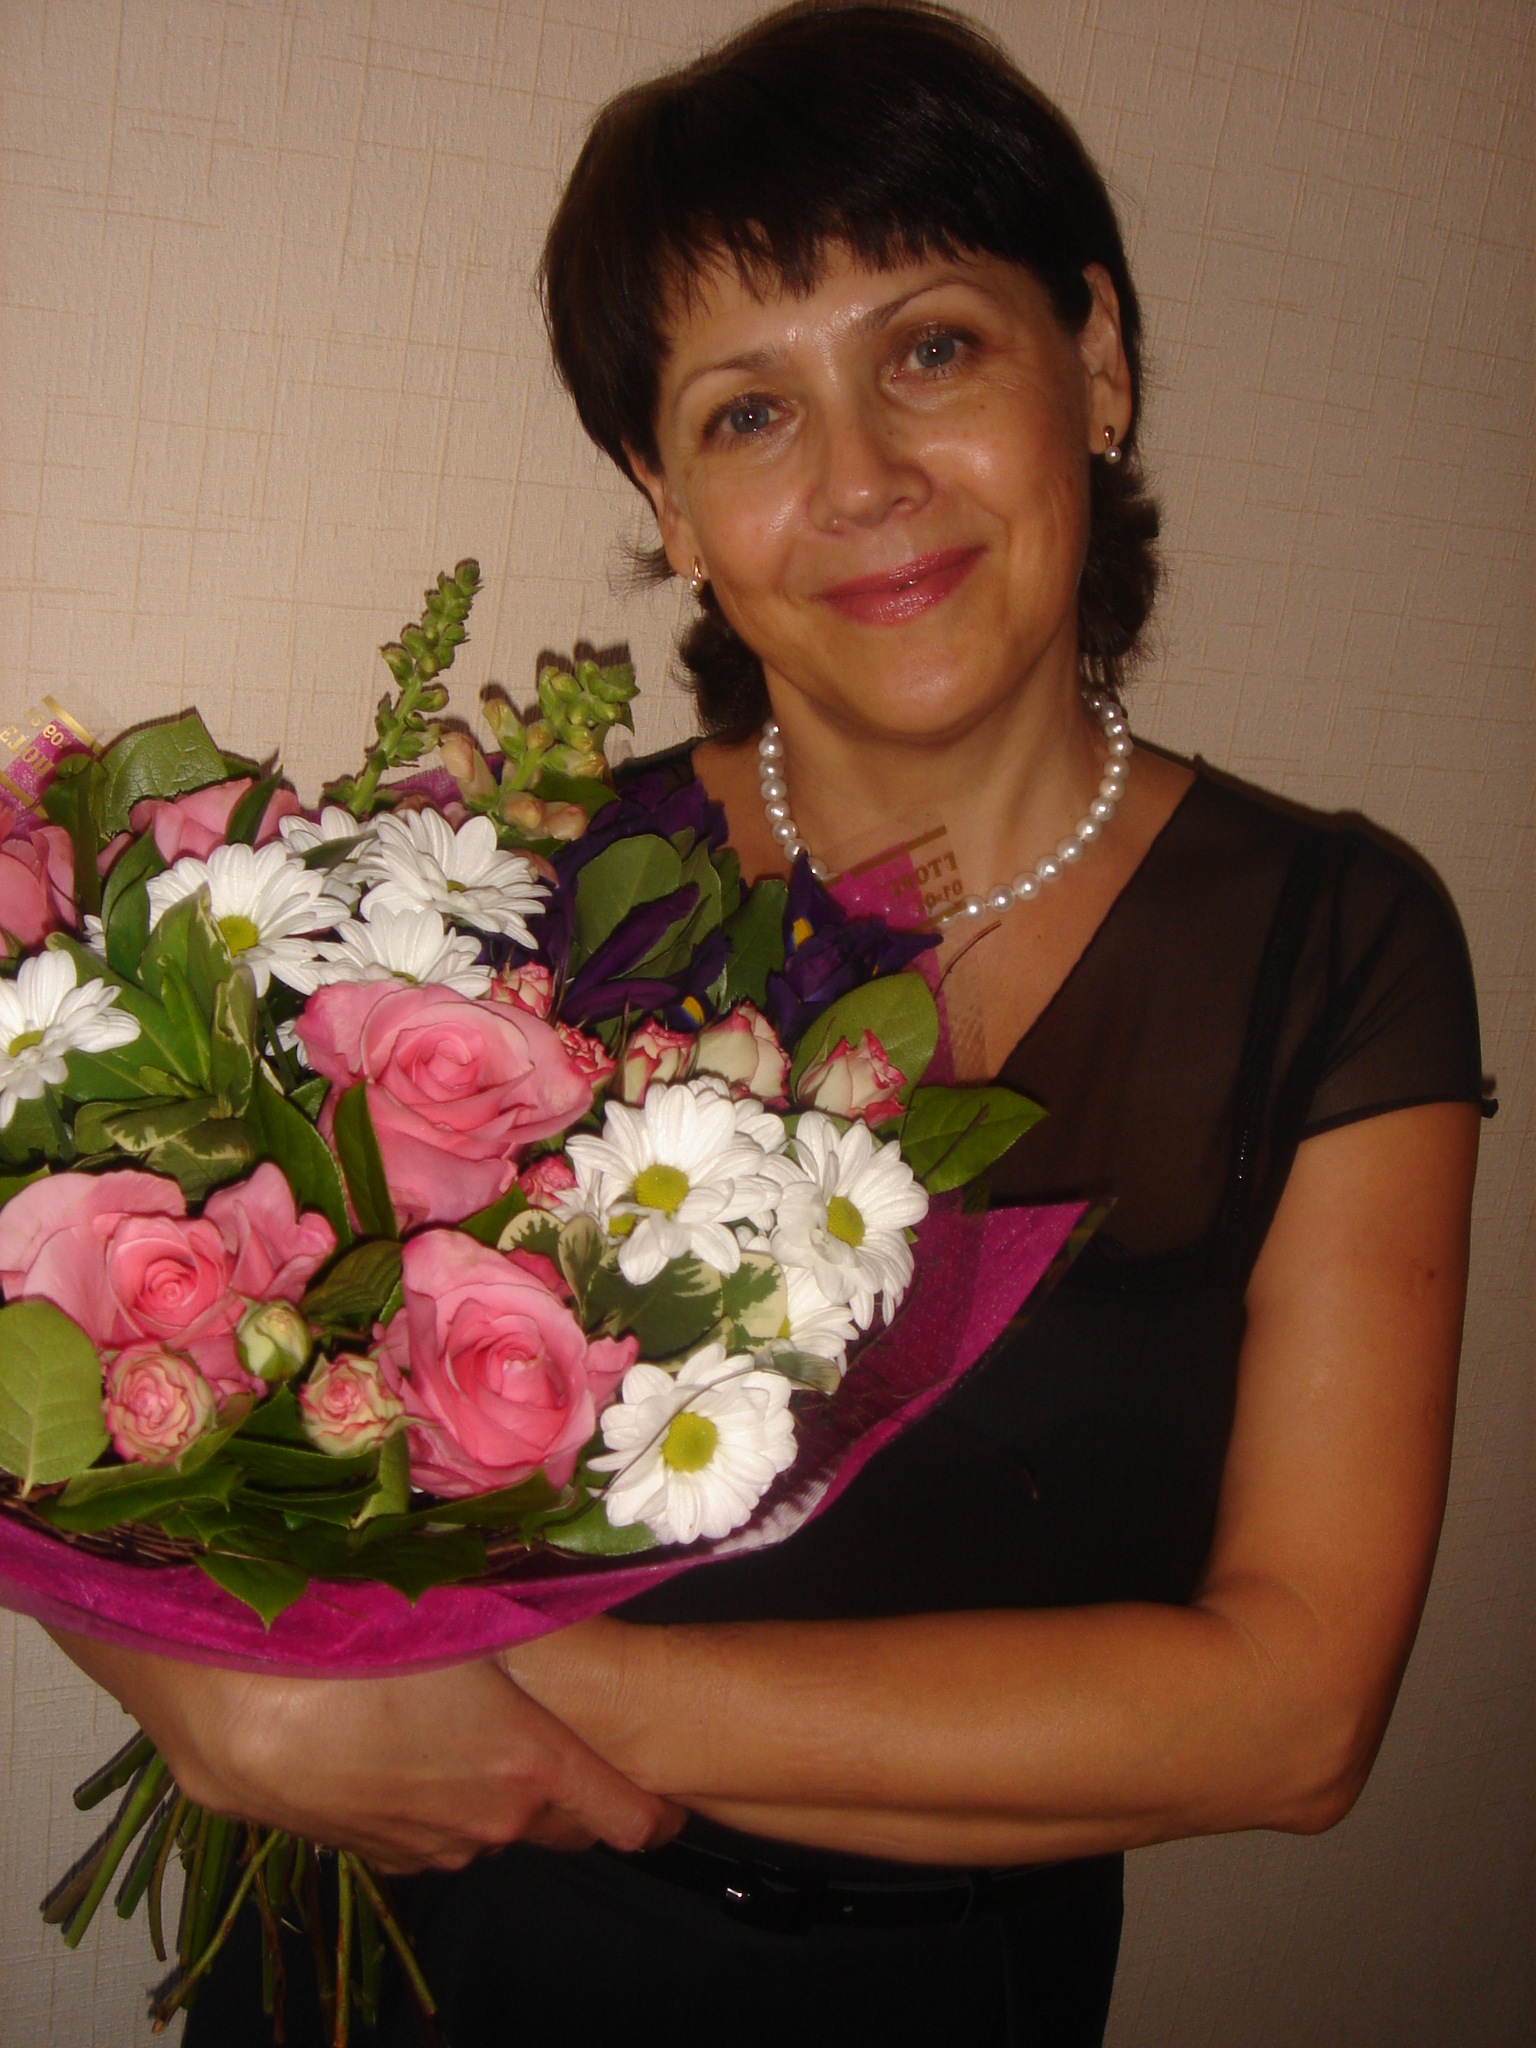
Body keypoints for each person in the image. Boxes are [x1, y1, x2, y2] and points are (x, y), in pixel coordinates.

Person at [53, 6, 1485, 2043]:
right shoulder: (510, 902)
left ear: (1095, 360)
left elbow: (1292, 1715)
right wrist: (187, 1672)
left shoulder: (1338, 941)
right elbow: (151, 1356)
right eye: (747, 413)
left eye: (932, 350)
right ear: (665, 495)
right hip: (397, 1969)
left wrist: (418, 1688)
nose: (862, 479)